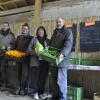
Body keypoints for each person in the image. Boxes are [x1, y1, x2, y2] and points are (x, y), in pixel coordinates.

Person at [50, 18, 73, 100]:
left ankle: (62, 98)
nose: (58, 23)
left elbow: (68, 45)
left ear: (63, 23)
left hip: (62, 61)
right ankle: (55, 97)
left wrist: (62, 55)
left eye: (60, 22)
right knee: (54, 81)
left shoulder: (68, 32)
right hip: (53, 60)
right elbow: (51, 45)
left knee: (61, 81)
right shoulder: (54, 32)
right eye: (57, 22)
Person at [28, 26, 50, 100]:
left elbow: (50, 51)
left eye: (42, 31)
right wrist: (36, 53)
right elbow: (28, 49)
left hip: (45, 62)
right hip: (36, 62)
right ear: (37, 32)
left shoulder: (47, 40)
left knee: (43, 78)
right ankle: (35, 93)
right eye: (39, 31)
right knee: (36, 78)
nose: (41, 32)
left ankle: (41, 93)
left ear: (44, 32)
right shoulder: (34, 39)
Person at [13, 23, 33, 95]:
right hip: (18, 58)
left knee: (24, 74)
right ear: (21, 29)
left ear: (28, 30)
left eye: (26, 29)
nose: (25, 30)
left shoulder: (31, 38)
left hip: (26, 59)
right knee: (18, 73)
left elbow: (32, 47)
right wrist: (11, 49)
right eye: (23, 28)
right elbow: (14, 46)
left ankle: (22, 89)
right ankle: (17, 87)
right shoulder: (18, 37)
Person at [0, 22, 15, 91]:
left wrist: (9, 47)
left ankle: (4, 84)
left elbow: (14, 45)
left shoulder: (11, 35)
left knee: (2, 69)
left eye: (6, 26)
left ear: (8, 27)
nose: (4, 27)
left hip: (6, 55)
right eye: (3, 26)